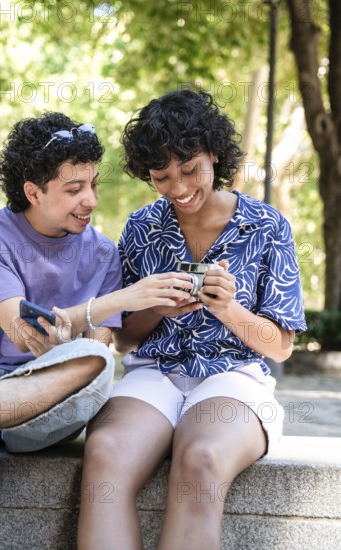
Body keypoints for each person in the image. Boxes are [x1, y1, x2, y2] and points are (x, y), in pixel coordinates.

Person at [78, 90, 307, 549]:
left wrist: (229, 309)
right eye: (162, 177)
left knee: (200, 457)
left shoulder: (266, 226)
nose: (179, 188)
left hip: (235, 376)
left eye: (190, 170)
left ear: (214, 155)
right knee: (103, 452)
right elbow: (124, 340)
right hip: (155, 374)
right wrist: (155, 308)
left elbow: (281, 345)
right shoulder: (143, 227)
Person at [0, 111, 194, 463]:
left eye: (93, 184)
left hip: (49, 402)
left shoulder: (103, 252)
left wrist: (62, 349)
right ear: (33, 192)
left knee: (96, 363)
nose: (91, 200)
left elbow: (97, 352)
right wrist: (122, 299)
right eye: (74, 189)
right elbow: (22, 332)